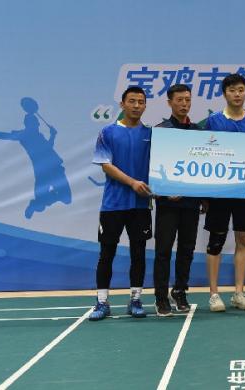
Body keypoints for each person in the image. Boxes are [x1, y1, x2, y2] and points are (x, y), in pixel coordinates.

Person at [202, 73, 245, 312]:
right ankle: (214, 294)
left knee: (243, 240)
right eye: (232, 90)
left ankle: (239, 293)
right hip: (219, 193)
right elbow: (205, 154)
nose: (237, 94)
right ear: (224, 94)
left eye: (240, 90)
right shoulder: (214, 120)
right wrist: (206, 194)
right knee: (216, 241)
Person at [89, 86, 152, 321]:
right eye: (132, 101)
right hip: (113, 204)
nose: (136, 106)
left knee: (138, 253)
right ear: (122, 104)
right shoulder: (108, 132)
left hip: (140, 205)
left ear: (145, 106)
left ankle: (135, 300)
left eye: (141, 102)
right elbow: (106, 165)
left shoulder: (152, 134)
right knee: (107, 253)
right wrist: (132, 182)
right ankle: (102, 302)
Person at [152, 84, 206, 317]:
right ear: (169, 103)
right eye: (180, 100)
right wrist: (162, 192)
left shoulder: (198, 132)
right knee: (163, 251)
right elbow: (153, 166)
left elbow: (204, 168)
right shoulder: (161, 130)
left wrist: (204, 197)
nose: (184, 104)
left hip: (192, 202)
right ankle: (160, 297)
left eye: (188, 100)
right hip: (168, 203)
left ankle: (180, 291)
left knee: (187, 249)